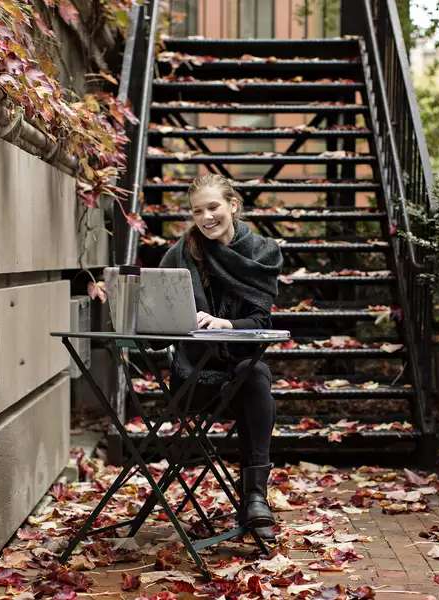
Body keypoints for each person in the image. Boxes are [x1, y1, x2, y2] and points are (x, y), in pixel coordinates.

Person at [159, 173, 283, 541]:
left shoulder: (262, 252)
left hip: (240, 375)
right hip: (194, 377)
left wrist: (224, 323)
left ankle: (255, 497)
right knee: (251, 380)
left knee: (254, 373)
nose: (206, 217)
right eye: (198, 211)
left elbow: (262, 321)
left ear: (233, 205)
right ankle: (254, 502)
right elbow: (158, 311)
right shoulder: (181, 252)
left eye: (213, 207)